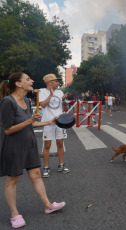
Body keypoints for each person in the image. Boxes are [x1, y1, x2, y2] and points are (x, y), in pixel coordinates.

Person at [0, 72, 66, 229]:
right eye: (28, 79)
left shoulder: (26, 101)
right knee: (13, 180)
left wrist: (48, 122)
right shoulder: (7, 102)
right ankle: (14, 214)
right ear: (18, 83)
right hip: (13, 145)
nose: (32, 81)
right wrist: (31, 119)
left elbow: (30, 124)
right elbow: (8, 129)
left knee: (36, 174)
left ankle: (48, 205)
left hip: (29, 143)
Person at [39, 74, 70, 178]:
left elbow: (62, 106)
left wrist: (64, 100)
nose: (58, 83)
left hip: (60, 122)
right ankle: (46, 167)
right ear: (50, 83)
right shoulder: (42, 91)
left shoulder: (60, 92)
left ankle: (61, 165)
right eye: (56, 81)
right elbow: (42, 105)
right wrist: (51, 95)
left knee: (60, 143)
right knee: (47, 145)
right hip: (48, 122)